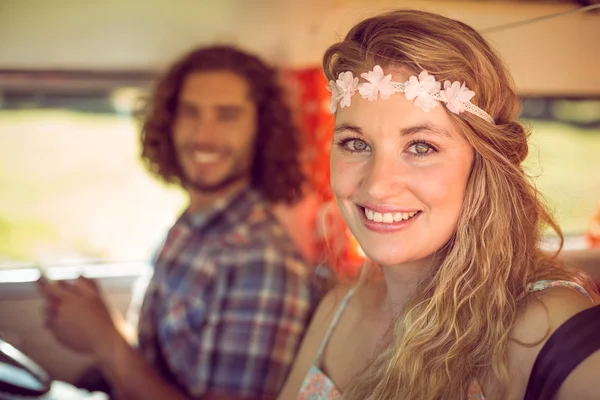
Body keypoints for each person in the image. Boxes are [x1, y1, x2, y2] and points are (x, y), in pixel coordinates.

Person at [278, 10, 600, 400]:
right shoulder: (336, 310)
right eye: (355, 143)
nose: (378, 185)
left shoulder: (548, 325)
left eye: (421, 146)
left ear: (481, 165)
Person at [39, 45, 322, 400]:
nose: (203, 135)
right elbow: (161, 364)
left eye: (227, 115)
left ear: (262, 132)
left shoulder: (260, 262)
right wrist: (97, 321)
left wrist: (104, 342)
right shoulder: (192, 225)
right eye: (190, 112)